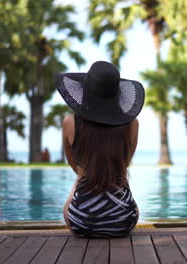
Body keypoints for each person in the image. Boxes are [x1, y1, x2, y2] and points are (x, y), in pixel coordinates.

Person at [56, 61, 144, 238]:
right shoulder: (132, 124)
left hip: (81, 221)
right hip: (123, 220)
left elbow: (76, 166)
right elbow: (124, 163)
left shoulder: (69, 123)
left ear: (85, 93)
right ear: (117, 95)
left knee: (79, 182)